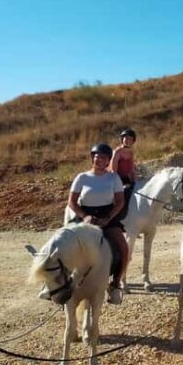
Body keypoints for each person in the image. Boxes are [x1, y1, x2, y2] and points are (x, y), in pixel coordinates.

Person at [67, 143, 129, 304]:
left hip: (107, 216)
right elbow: (72, 202)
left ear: (108, 160)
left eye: (103, 158)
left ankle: (115, 284)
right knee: (62, 242)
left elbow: (120, 202)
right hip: (85, 216)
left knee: (124, 248)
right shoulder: (82, 177)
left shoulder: (113, 178)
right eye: (96, 157)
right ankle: (55, 282)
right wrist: (84, 216)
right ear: (92, 158)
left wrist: (108, 218)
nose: (99, 160)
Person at [111, 128, 137, 217]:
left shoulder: (131, 152)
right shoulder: (117, 152)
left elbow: (131, 169)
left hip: (126, 179)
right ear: (122, 139)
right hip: (116, 179)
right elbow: (113, 171)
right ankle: (118, 215)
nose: (128, 140)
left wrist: (134, 182)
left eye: (130, 139)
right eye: (126, 138)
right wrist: (120, 185)